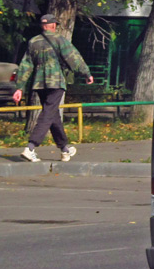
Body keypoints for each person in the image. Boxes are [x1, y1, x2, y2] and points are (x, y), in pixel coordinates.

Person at [11, 14, 94, 162]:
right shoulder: (60, 40)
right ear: (54, 25)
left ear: (42, 26)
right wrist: (86, 73)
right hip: (56, 83)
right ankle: (30, 147)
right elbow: (74, 58)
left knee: (53, 114)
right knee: (48, 114)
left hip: (39, 83)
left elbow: (25, 65)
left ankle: (64, 149)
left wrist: (19, 87)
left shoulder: (33, 42)